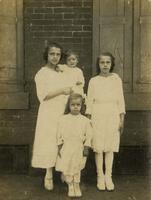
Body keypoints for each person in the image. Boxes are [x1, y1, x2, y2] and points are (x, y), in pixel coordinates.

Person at [31, 42, 73, 191]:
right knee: (49, 141)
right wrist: (62, 90)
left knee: (63, 141)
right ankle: (48, 175)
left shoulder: (61, 72)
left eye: (58, 54)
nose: (55, 57)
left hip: (62, 111)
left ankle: (63, 172)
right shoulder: (41, 73)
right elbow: (43, 95)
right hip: (48, 112)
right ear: (46, 55)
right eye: (52, 54)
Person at [86, 52, 125, 191]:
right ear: (98, 64)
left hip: (112, 113)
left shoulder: (116, 79)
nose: (105, 65)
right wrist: (89, 120)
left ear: (111, 64)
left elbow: (120, 100)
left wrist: (121, 118)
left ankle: (108, 176)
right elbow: (89, 102)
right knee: (98, 147)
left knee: (110, 147)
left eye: (108, 62)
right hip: (98, 113)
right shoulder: (93, 81)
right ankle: (100, 176)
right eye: (102, 63)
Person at [55, 93, 92, 197]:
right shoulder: (63, 119)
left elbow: (89, 135)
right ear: (69, 105)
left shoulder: (85, 121)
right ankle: (70, 185)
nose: (75, 107)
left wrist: (86, 147)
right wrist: (59, 146)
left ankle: (76, 185)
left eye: (78, 105)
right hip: (67, 147)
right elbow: (59, 134)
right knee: (67, 167)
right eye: (73, 105)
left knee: (77, 167)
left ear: (81, 106)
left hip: (78, 148)